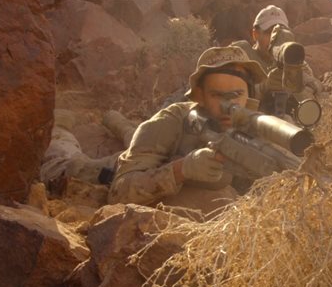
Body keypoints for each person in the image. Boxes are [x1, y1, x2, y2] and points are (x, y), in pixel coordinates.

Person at [107, 46, 267, 214]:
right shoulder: (171, 120)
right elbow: (118, 194)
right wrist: (182, 170)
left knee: (129, 132)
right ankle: (108, 122)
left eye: (236, 94)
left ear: (249, 95)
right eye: (217, 95)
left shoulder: (258, 127)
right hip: (134, 160)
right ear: (200, 96)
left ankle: (120, 124)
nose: (228, 107)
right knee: (83, 166)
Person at [231, 5, 323, 115]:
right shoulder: (241, 55)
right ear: (255, 34)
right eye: (270, 32)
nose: (274, 39)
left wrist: (297, 84)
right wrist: (263, 87)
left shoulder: (296, 63)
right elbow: (228, 97)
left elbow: (314, 97)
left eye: (281, 33)